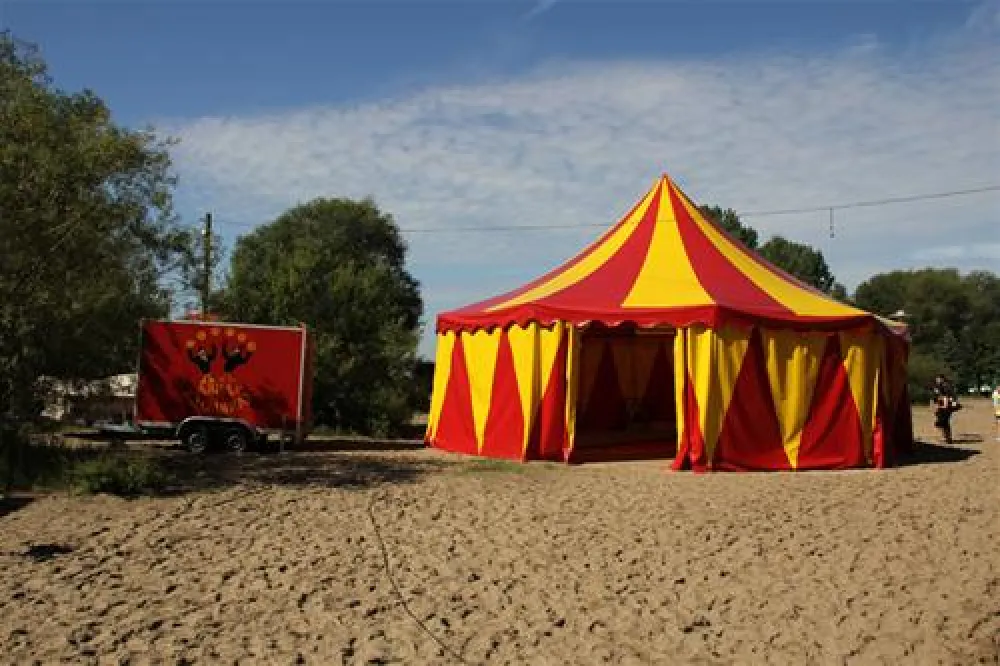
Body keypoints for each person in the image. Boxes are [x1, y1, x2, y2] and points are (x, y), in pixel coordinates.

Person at [931, 375, 959, 445]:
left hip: (946, 407)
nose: (937, 380)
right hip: (941, 406)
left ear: (942, 379)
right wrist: (934, 406)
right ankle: (946, 437)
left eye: (938, 379)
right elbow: (935, 398)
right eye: (936, 379)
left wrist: (945, 405)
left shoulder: (946, 386)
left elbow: (947, 397)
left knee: (943, 422)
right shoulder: (937, 387)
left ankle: (947, 438)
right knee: (943, 422)